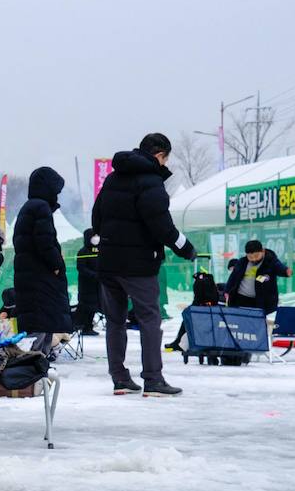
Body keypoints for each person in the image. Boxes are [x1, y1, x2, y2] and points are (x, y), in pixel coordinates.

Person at [90, 132, 195, 396]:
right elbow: (161, 225)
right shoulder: (151, 182)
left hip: (109, 263)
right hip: (138, 266)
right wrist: (185, 247)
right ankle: (153, 379)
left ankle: (120, 378)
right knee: (149, 319)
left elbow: (96, 217)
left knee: (115, 321)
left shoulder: (113, 178)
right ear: (160, 155)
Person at [11, 167, 74, 356]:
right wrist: (56, 265)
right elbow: (45, 242)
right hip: (41, 281)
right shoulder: (40, 208)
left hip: (31, 280)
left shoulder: (29, 208)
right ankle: (35, 376)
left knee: (38, 328)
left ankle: (37, 374)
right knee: (40, 332)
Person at [223, 240, 291, 312]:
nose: (254, 259)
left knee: (259, 321)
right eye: (250, 257)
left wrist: (286, 271)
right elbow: (233, 277)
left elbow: (279, 267)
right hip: (241, 299)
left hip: (261, 300)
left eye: (256, 256)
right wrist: (227, 290)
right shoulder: (242, 262)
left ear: (263, 251)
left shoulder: (270, 262)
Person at [73, 229, 102, 335]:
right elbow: (81, 268)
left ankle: (89, 326)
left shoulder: (99, 251)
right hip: (86, 285)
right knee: (86, 307)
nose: (96, 238)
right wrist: (93, 275)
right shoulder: (83, 251)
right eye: (94, 235)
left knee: (94, 307)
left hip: (97, 285)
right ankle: (83, 326)